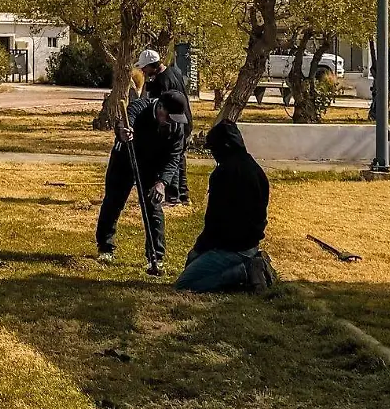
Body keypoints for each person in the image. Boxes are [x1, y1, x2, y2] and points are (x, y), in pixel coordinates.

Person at [175, 121, 276, 293]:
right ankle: (248, 264)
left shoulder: (224, 174)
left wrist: (200, 248)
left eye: (214, 148)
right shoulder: (255, 169)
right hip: (249, 243)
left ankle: (245, 272)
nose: (213, 154)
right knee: (193, 261)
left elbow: (214, 220)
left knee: (184, 284)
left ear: (225, 146)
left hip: (233, 247)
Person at [96, 90, 189, 275]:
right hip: (125, 159)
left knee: (153, 208)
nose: (172, 122)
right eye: (169, 117)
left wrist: (162, 182)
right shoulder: (140, 107)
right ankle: (105, 247)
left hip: (152, 166)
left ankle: (156, 256)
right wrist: (123, 132)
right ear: (160, 108)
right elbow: (123, 123)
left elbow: (174, 157)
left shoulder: (177, 126)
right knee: (113, 202)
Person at [137, 49, 193, 206]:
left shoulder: (162, 82)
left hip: (176, 122)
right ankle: (184, 196)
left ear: (152, 65)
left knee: (172, 157)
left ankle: (172, 197)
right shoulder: (174, 71)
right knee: (179, 158)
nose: (143, 71)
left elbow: (157, 107)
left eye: (145, 68)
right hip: (185, 120)